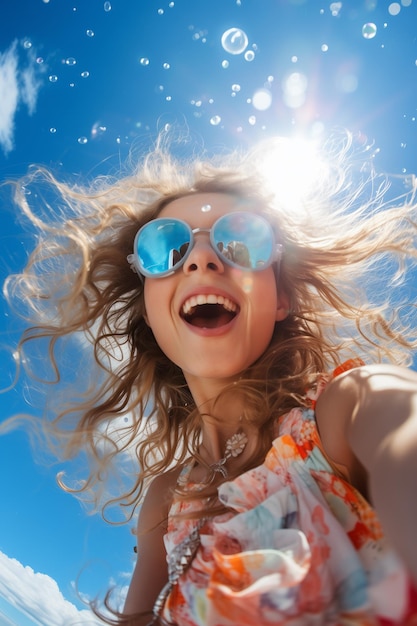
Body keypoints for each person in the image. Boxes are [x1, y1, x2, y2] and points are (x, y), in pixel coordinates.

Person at [4, 131, 417, 626]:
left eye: (242, 241)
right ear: (150, 312)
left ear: (280, 298)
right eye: (166, 247)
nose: (202, 259)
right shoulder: (163, 501)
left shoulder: (349, 409)